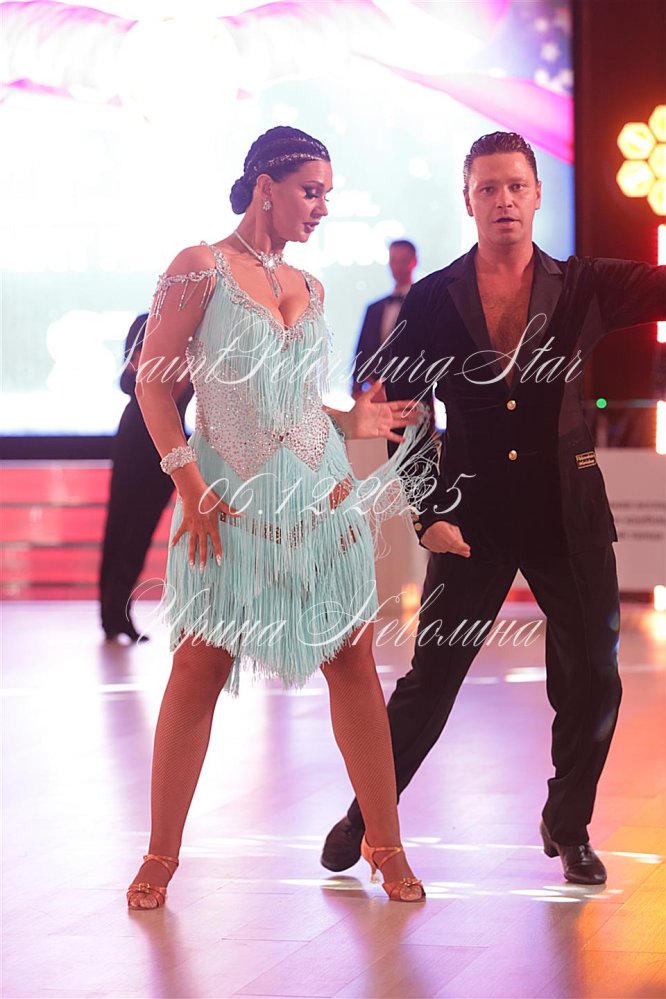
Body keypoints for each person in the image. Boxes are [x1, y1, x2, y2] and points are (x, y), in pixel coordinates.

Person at [321, 131, 666, 886]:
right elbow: (403, 412)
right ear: (468, 200)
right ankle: (367, 816)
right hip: (468, 517)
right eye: (488, 188)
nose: (503, 200)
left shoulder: (585, 284)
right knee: (431, 679)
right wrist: (427, 512)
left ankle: (568, 825)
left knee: (593, 678)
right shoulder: (433, 298)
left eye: (515, 186)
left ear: (537, 194)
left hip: (570, 512)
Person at [126, 126, 430, 910]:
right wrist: (188, 484)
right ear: (266, 185)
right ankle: (160, 853)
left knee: (353, 663)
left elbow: (295, 403)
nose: (322, 207)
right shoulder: (198, 267)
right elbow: (152, 385)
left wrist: (352, 421)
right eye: (311, 191)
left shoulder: (312, 286)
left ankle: (386, 842)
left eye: (328, 194)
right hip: (224, 506)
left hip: (326, 502)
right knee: (199, 667)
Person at [99, 314, 193, 642]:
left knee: (142, 530)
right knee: (120, 526)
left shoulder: (195, 334)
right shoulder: (145, 324)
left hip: (169, 445)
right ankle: (110, 612)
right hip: (136, 439)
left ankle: (120, 610)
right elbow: (132, 385)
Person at [351, 239, 418, 399]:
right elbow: (362, 350)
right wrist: (356, 386)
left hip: (413, 394)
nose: (398, 266)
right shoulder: (374, 308)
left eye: (403, 260)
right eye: (393, 260)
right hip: (375, 394)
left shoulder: (424, 304)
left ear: (414, 262)